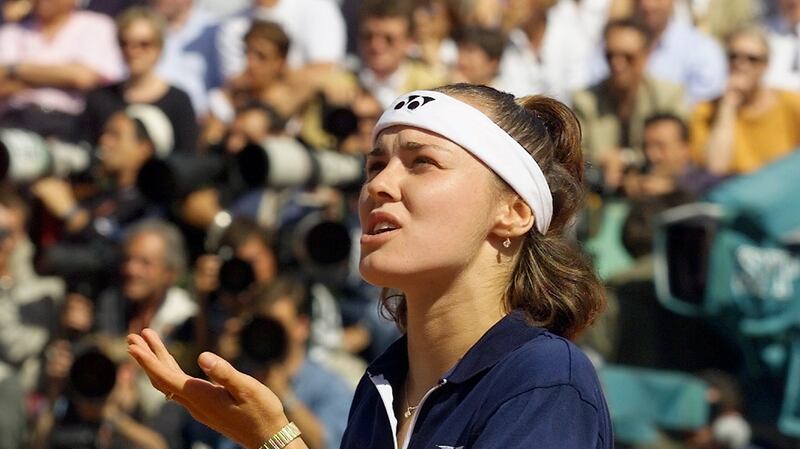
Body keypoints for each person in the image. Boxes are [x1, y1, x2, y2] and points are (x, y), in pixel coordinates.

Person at [127, 83, 612, 449]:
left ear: (514, 212)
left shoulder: (546, 380)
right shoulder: (380, 384)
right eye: (375, 165)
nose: (378, 185)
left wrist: (275, 439)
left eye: (422, 162)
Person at [573, 18, 686, 192]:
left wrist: (625, 159)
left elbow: (678, 152)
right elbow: (575, 156)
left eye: (628, 57)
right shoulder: (586, 101)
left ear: (646, 56)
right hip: (600, 192)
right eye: (610, 56)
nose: (617, 64)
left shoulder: (667, 96)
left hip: (656, 189)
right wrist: (599, 161)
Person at [81, 6, 198, 154]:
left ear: (160, 47)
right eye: (125, 43)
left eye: (144, 44)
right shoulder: (100, 98)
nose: (133, 51)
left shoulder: (179, 101)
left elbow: (187, 158)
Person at [691, 25, 800, 176]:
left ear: (766, 66)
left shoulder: (792, 104)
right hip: (730, 187)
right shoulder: (706, 111)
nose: (741, 64)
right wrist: (727, 106)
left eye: (752, 59)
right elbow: (715, 168)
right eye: (733, 57)